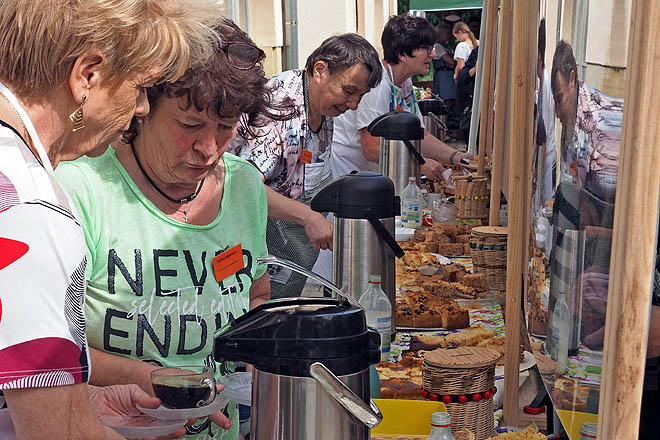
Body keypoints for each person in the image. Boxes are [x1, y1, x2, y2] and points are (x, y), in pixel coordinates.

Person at [0, 0, 224, 438]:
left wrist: (81, 400)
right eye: (140, 86)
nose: (141, 107)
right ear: (88, 75)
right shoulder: (30, 203)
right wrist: (71, 418)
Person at [55, 19, 277, 440]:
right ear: (143, 107)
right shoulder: (81, 189)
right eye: (190, 125)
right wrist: (146, 376)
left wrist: (255, 348)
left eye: (226, 128)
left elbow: (256, 292)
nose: (209, 148)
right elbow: (46, 353)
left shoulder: (246, 185)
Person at [229, 33, 382, 299]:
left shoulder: (323, 105)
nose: (354, 104)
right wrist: (308, 216)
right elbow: (244, 186)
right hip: (257, 251)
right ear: (320, 70)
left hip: (291, 256)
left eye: (361, 96)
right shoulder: (280, 107)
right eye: (349, 91)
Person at [331, 14, 473, 183]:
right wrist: (420, 164)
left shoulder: (404, 82)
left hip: (370, 177)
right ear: (402, 54)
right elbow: (371, 147)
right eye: (427, 48)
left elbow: (420, 135)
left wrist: (457, 157)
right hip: (351, 179)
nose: (433, 54)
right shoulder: (377, 86)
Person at [551, 40, 623, 201]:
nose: (557, 112)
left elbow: (609, 201)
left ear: (572, 79)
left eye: (560, 99)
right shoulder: (571, 117)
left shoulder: (597, 122)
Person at [536, 18, 557, 204]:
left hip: (547, 161)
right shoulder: (542, 83)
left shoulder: (547, 86)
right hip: (545, 160)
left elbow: (542, 134)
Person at [453, 21, 479, 117]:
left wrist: (456, 75)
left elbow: (460, 66)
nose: (457, 39)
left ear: (460, 33)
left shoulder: (461, 46)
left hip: (466, 80)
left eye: (456, 37)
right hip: (476, 80)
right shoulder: (478, 43)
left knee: (464, 109)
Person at [432, 23, 457, 102]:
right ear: (441, 34)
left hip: (448, 75)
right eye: (447, 33)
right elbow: (451, 61)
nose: (449, 35)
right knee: (446, 97)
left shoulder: (446, 46)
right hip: (443, 76)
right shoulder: (438, 46)